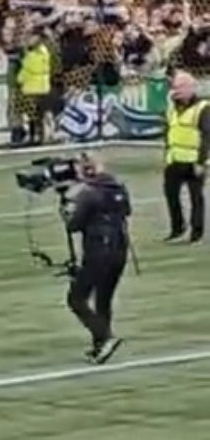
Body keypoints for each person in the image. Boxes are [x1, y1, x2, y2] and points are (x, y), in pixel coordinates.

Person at [62, 154, 130, 364]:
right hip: (120, 247)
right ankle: (100, 346)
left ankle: (105, 337)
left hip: (98, 249)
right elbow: (127, 211)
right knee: (104, 299)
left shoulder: (88, 194)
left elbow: (73, 225)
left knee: (76, 298)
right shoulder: (118, 188)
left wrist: (67, 208)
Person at [162, 71, 210, 243]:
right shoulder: (171, 107)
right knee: (171, 195)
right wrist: (167, 154)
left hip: (194, 160)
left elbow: (207, 136)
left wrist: (201, 161)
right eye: (175, 87)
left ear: (191, 88)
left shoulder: (203, 108)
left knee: (196, 197)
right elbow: (168, 130)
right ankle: (177, 228)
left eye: (181, 87)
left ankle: (196, 232)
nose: (177, 90)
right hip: (174, 159)